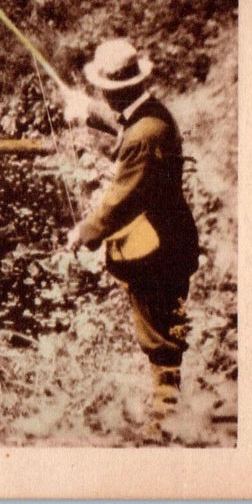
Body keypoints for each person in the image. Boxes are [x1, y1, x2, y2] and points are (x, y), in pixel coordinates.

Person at [63, 39, 201, 429]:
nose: (100, 94)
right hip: (171, 241)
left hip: (157, 249)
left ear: (113, 90)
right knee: (166, 329)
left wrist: (82, 232)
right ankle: (169, 411)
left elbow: (119, 200)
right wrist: (89, 113)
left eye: (102, 92)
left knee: (159, 338)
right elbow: (128, 125)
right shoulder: (154, 114)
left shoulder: (144, 135)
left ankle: (164, 425)